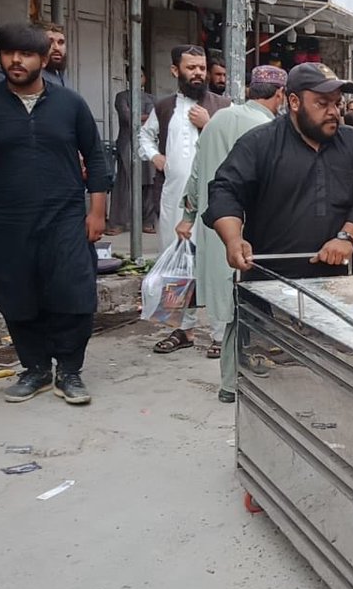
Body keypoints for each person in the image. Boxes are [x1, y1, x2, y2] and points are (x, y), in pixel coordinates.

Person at [205, 63, 353, 402]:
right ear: (293, 102)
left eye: (337, 103)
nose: (333, 112)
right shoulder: (259, 143)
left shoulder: (352, 143)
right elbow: (225, 191)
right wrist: (233, 239)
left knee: (343, 385)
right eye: (322, 103)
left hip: (342, 282)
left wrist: (347, 237)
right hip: (272, 287)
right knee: (276, 391)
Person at [0, 23, 111, 405]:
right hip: (3, 221)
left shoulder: (70, 104)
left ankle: (69, 370)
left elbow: (95, 157)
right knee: (17, 295)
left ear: (42, 59)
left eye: (25, 54)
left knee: (74, 293)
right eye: (9, 53)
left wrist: (97, 213)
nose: (15, 61)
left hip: (64, 217)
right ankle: (36, 368)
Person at [176, 65, 286, 403]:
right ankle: (236, 382)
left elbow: (196, 177)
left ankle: (232, 381)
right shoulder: (271, 131)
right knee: (249, 310)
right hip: (249, 233)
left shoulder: (217, 120)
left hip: (216, 232)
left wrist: (187, 217)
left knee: (233, 312)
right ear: (281, 95)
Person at [139, 44, 231, 354]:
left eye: (202, 68)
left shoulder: (223, 106)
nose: (198, 73)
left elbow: (237, 144)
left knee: (216, 266)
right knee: (178, 267)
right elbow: (144, 135)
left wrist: (210, 123)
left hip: (215, 199)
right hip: (174, 199)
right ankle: (183, 329)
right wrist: (155, 157)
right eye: (191, 68)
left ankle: (220, 333)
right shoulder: (164, 107)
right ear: (175, 70)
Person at [108, 67, 158, 235]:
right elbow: (127, 118)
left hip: (148, 142)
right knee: (124, 183)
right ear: (128, 77)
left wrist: (139, 117)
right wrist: (145, 117)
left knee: (149, 183)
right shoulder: (121, 96)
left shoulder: (152, 98)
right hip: (127, 142)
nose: (137, 78)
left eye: (140, 75)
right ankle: (118, 223)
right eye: (133, 75)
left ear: (145, 78)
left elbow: (155, 119)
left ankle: (148, 221)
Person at [0, 21, 69, 88]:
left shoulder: (62, 77)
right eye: (50, 41)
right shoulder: (2, 77)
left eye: (61, 42)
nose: (57, 48)